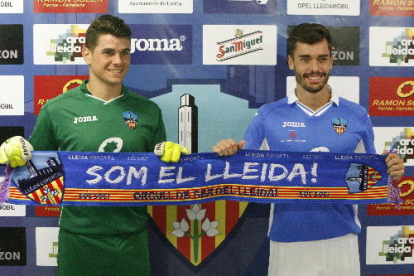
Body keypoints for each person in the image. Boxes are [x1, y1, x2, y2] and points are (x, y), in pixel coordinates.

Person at [212, 23, 405, 276]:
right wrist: (228, 153)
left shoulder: (357, 115)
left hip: (341, 241)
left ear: (332, 61)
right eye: (305, 59)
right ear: (292, 62)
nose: (314, 68)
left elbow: (368, 178)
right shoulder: (268, 116)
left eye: (322, 59)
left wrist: (391, 172)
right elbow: (244, 173)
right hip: (288, 242)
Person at [0, 14, 180, 276]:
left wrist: (174, 161)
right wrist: (13, 155)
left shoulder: (149, 111)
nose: (118, 61)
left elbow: (157, 176)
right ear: (86, 54)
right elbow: (32, 173)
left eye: (125, 53)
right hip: (79, 241)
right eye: (108, 52)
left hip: (132, 240)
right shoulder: (57, 109)